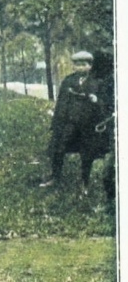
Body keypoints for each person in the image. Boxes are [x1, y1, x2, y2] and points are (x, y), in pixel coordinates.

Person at [40, 51, 109, 189]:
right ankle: (55, 176)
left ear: (90, 66)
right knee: (59, 148)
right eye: (77, 65)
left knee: (87, 154)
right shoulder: (68, 81)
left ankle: (84, 182)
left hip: (88, 125)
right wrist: (58, 123)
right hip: (70, 122)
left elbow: (105, 105)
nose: (80, 68)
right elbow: (61, 103)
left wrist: (96, 101)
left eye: (83, 65)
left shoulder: (97, 83)